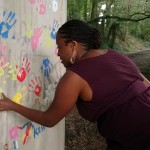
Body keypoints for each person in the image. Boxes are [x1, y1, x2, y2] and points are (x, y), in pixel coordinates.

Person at [0, 19, 150, 150]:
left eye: (59, 46)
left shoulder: (74, 77)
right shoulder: (115, 55)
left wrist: (11, 105)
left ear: (73, 45)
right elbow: (146, 83)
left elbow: (49, 119)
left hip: (138, 134)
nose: (57, 53)